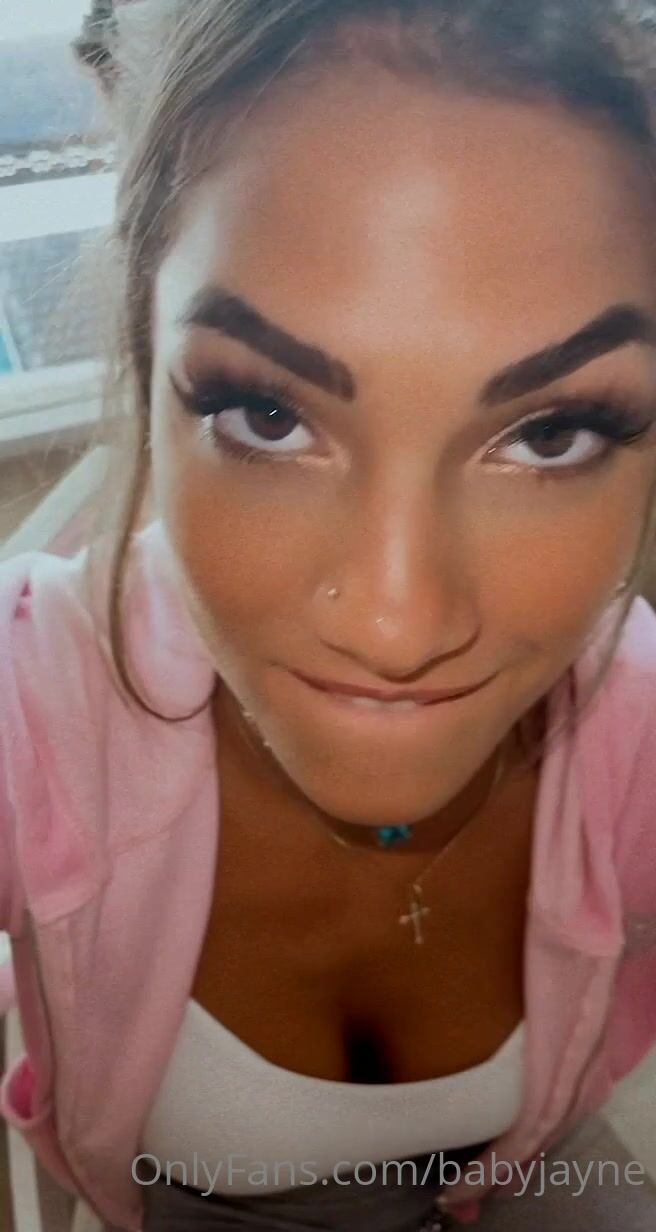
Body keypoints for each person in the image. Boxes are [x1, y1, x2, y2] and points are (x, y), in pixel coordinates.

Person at [2, 0, 656, 1228]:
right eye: (266, 414)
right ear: (147, 358)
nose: (397, 628)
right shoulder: (33, 700)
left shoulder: (631, 716)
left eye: (551, 433)